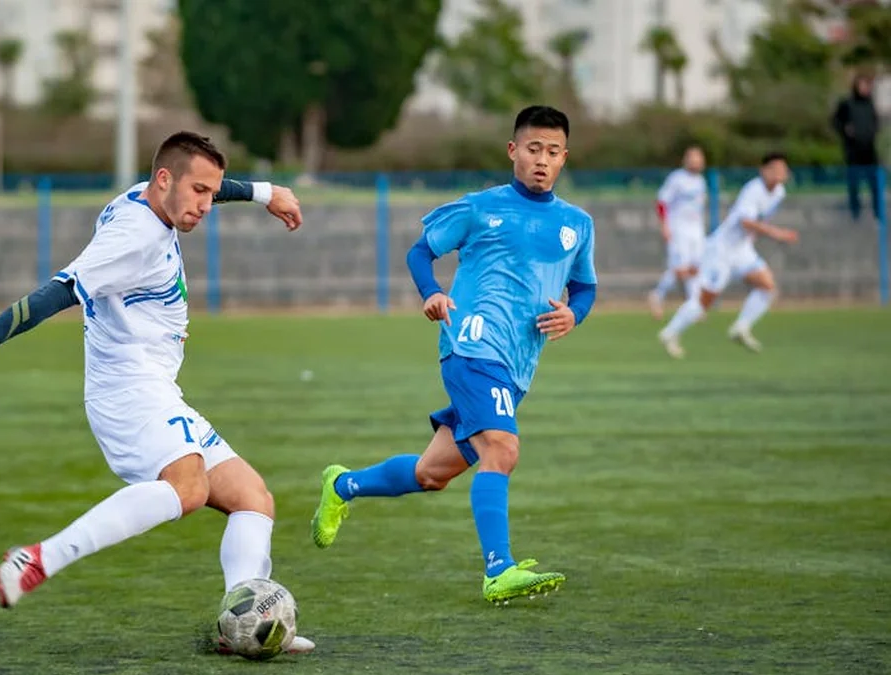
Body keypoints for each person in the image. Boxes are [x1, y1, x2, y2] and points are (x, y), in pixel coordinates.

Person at [0, 131, 315, 654]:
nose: (205, 204)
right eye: (198, 192)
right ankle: (41, 558)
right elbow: (59, 290)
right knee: (188, 489)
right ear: (164, 179)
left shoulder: (155, 195)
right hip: (127, 389)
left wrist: (265, 193)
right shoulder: (133, 236)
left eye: (210, 193)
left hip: (155, 386)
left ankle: (237, 621)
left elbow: (204, 185)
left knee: (252, 498)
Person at [309, 106, 597, 605]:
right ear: (513, 151)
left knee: (432, 474)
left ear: (564, 158)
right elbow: (420, 250)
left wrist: (575, 315)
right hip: (471, 345)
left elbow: (586, 287)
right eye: (533, 149)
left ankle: (343, 486)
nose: (541, 161)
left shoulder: (577, 223)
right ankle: (498, 569)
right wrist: (431, 292)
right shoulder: (480, 208)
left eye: (552, 152)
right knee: (501, 449)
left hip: (516, 366)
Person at [658, 152, 798, 358]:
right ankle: (669, 333)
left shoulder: (779, 193)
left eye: (782, 169)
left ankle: (741, 327)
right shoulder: (754, 189)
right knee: (705, 301)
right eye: (774, 169)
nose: (779, 173)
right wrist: (777, 233)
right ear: (763, 170)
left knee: (767, 286)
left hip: (742, 249)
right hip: (722, 250)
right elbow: (746, 221)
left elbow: (758, 221)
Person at [648, 146, 708, 319]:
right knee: (680, 269)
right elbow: (661, 202)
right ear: (686, 160)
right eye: (692, 157)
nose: (696, 161)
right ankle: (658, 295)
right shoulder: (677, 179)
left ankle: (694, 305)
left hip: (696, 230)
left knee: (695, 268)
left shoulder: (701, 181)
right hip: (678, 228)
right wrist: (664, 225)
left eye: (699, 158)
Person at [831, 74, 882, 222]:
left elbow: (875, 121)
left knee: (874, 182)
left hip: (869, 149)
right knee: (854, 183)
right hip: (853, 150)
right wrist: (846, 130)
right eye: (862, 85)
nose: (865, 89)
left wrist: (873, 131)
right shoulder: (847, 104)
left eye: (867, 86)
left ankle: (878, 213)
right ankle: (855, 212)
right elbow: (836, 121)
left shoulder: (870, 104)